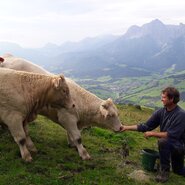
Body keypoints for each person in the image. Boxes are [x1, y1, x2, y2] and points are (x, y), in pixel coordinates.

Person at [122, 87, 185, 183]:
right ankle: (165, 168)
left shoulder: (181, 115)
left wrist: (152, 133)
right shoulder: (161, 111)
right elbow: (146, 126)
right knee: (177, 170)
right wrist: (126, 127)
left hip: (179, 147)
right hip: (170, 144)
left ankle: (164, 172)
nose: (161, 99)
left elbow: (170, 135)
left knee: (164, 142)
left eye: (164, 97)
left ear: (171, 99)